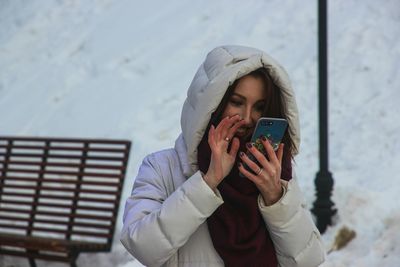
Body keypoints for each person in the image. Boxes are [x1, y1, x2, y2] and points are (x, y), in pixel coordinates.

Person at [120, 45, 326, 267]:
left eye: (259, 107)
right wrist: (207, 183)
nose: (247, 118)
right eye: (236, 102)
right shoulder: (162, 167)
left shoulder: (273, 171)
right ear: (212, 104)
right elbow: (142, 246)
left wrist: (275, 198)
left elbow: (309, 260)